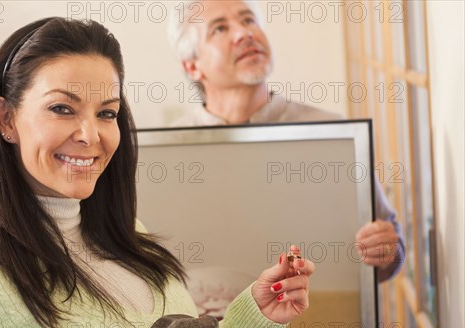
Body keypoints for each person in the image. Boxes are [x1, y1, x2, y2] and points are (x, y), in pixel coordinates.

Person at [0, 17, 315, 328]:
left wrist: (258, 312)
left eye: (106, 113)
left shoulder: (124, 234)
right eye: (62, 108)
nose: (90, 134)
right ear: (7, 119)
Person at [168, 0, 404, 281]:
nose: (245, 33)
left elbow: (390, 245)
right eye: (219, 28)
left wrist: (387, 251)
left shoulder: (333, 135)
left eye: (249, 20)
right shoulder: (170, 154)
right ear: (192, 66)